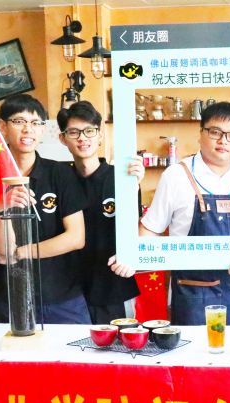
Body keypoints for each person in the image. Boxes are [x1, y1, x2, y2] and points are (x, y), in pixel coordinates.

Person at [138, 102, 230, 325]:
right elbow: (150, 230)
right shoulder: (176, 176)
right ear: (200, 133)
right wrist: (130, 255)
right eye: (215, 132)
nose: (223, 141)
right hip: (192, 295)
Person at [0, 94, 90, 324]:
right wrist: (3, 207)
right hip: (14, 296)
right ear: (2, 126)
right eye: (19, 121)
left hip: (64, 296)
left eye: (35, 123)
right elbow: (4, 250)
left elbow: (76, 238)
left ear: (43, 130)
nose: (28, 129)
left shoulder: (61, 174)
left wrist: (22, 252)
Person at [56, 101, 145, 324]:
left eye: (89, 131)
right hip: (68, 290)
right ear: (62, 138)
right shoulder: (59, 180)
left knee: (119, 343)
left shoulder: (122, 178)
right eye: (74, 132)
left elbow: (134, 229)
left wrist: (134, 185)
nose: (82, 138)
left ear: (100, 135)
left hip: (113, 285)